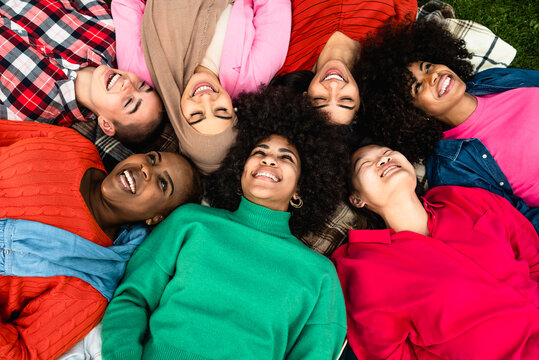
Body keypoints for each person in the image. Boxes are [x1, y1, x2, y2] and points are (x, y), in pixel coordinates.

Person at [101, 87, 348, 359]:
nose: (269, 159)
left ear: (300, 190)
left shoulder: (320, 275)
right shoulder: (190, 220)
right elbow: (132, 297)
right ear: (240, 170)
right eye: (259, 152)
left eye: (286, 157)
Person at [0, 119, 201, 359]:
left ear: (155, 219)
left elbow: (21, 352)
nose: (146, 168)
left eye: (162, 183)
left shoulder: (89, 286)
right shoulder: (76, 146)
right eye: (152, 158)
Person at [332, 142, 539, 359]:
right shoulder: (365, 266)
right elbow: (389, 354)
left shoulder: (468, 199)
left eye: (387, 152)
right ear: (357, 199)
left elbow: (534, 259)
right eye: (365, 163)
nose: (383, 159)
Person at [356, 21, 539, 207]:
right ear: (415, 114)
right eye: (418, 87)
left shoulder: (492, 79)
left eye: (427, 67)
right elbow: (516, 222)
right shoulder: (452, 167)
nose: (432, 76)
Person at [111, 0, 291, 173]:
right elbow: (274, 7)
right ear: (234, 110)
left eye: (196, 115)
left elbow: (126, 5)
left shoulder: (141, 77)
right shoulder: (253, 78)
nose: (206, 99)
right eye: (221, 111)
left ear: (180, 121)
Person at [0, 0, 166, 171]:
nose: (128, 84)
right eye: (141, 85)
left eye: (129, 102)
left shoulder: (31, 113)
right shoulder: (106, 31)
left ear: (106, 124)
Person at [270, 0, 417, 125]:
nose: (334, 85)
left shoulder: (284, 57)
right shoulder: (390, 43)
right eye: (346, 99)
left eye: (320, 99)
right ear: (361, 100)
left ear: (304, 97)